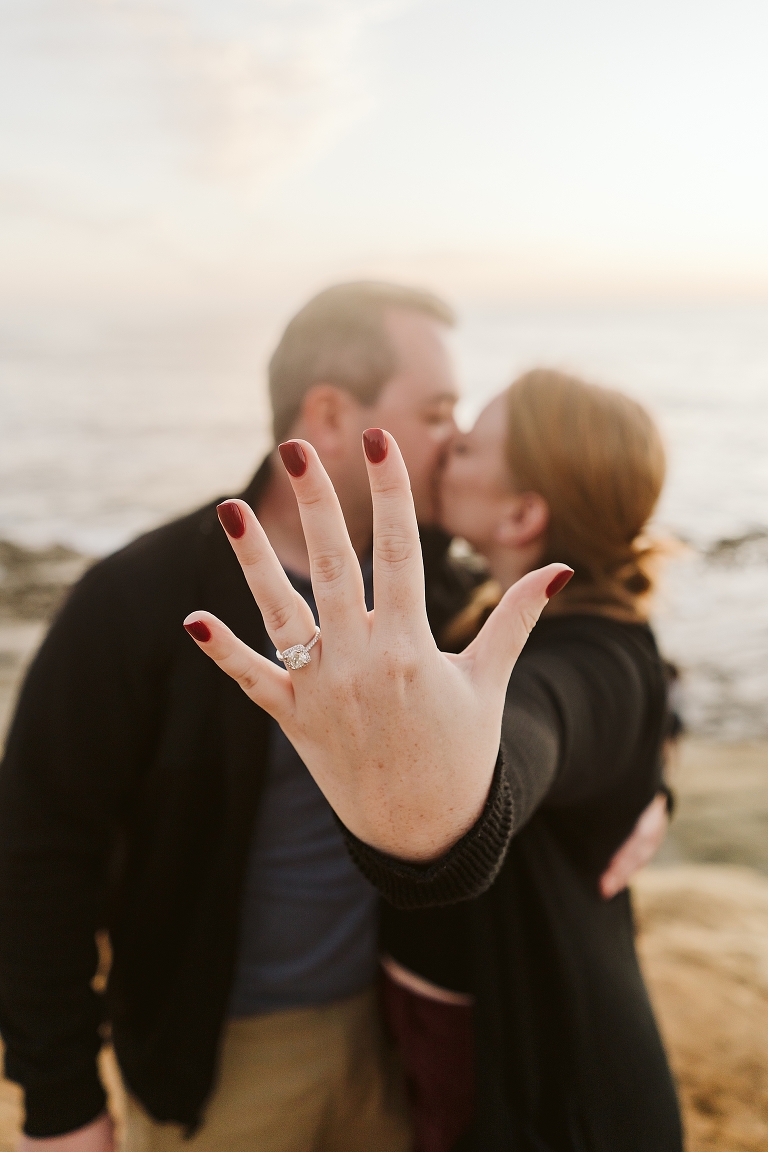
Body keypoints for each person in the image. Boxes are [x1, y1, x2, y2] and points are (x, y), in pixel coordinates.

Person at [0, 282, 667, 1151]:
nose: (454, 439)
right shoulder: (139, 599)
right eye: (436, 412)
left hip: (391, 1041)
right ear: (327, 410)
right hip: (226, 1055)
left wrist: (645, 775)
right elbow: (38, 849)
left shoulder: (443, 587)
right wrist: (60, 1101)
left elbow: (571, 696)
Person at [186, 369, 682, 1152]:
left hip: (557, 1091)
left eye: (471, 443)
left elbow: (547, 722)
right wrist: (659, 776)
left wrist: (441, 810)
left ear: (522, 512)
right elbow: (652, 704)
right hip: (436, 1043)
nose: (447, 446)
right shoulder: (466, 593)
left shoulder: (598, 658)